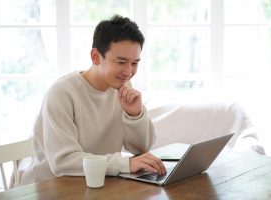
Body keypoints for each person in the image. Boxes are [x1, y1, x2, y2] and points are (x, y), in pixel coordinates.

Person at [20, 15, 166, 185]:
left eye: (135, 63)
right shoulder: (62, 93)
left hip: (98, 183)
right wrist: (124, 164)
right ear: (96, 56)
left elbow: (141, 148)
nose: (128, 71)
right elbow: (63, 162)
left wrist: (135, 115)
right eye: (121, 62)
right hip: (52, 188)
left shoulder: (124, 87)